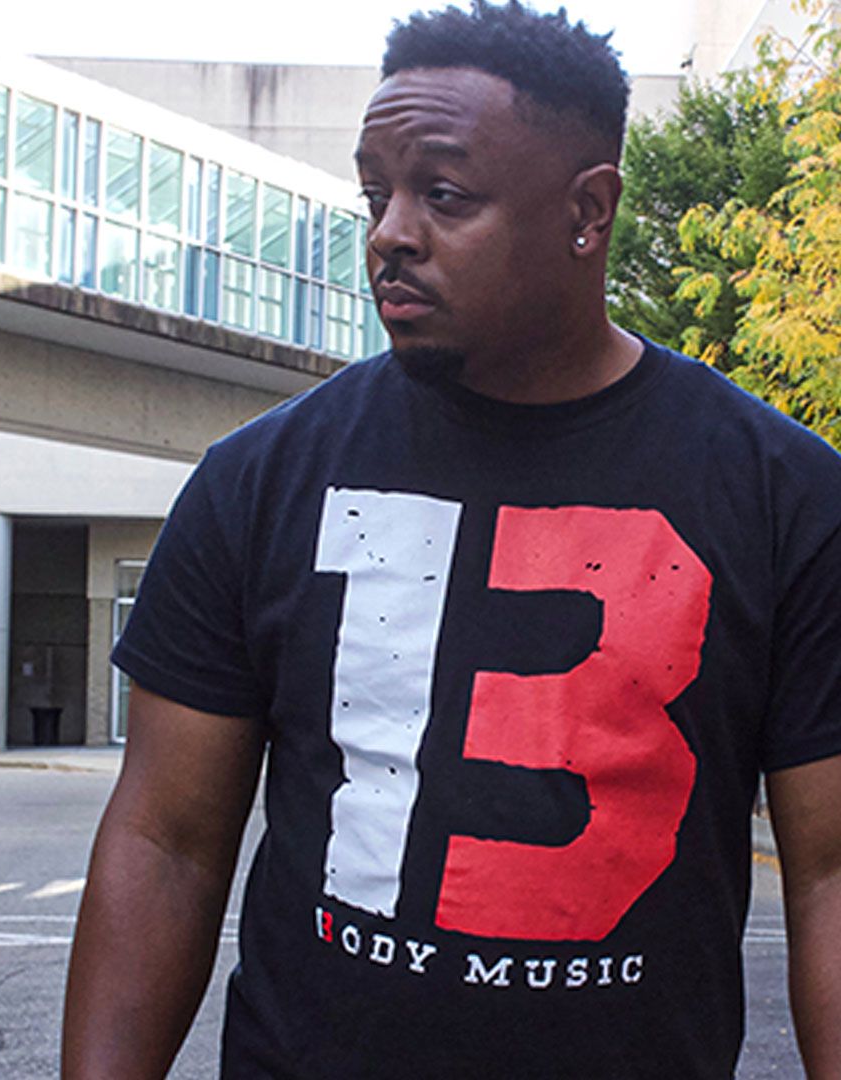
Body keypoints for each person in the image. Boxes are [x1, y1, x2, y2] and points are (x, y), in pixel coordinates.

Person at [62, 2, 841, 1077]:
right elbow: (167, 844)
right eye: (375, 192)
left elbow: (830, 873)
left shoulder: (785, 497)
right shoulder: (259, 482)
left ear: (588, 211)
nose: (390, 232)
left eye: (444, 194)